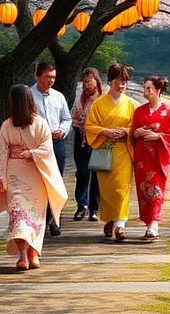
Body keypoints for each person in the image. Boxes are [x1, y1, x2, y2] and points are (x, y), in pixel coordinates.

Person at [0, 84, 68, 270]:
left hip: (26, 173)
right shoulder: (31, 124)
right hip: (25, 174)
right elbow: (45, 149)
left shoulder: (14, 125)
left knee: (24, 215)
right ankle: (25, 255)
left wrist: (30, 153)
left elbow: (3, 153)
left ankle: (29, 254)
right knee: (26, 215)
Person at [85, 63, 138, 242]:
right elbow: (90, 126)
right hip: (104, 149)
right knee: (107, 190)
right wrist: (105, 131)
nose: (121, 85)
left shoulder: (132, 104)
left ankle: (120, 225)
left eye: (124, 82)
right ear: (110, 81)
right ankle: (110, 219)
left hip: (123, 149)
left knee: (121, 188)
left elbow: (137, 127)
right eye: (118, 81)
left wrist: (126, 131)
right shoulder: (99, 103)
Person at [132, 75, 170, 241]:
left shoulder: (168, 112)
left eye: (149, 88)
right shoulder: (139, 111)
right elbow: (133, 131)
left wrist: (157, 136)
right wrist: (137, 133)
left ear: (158, 90)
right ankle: (148, 223)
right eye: (145, 88)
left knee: (156, 191)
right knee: (144, 191)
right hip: (142, 159)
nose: (146, 92)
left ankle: (154, 224)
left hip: (158, 158)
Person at [29, 62, 71, 236]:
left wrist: (62, 130)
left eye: (53, 77)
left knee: (56, 181)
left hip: (56, 143)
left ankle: (55, 218)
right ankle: (39, 219)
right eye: (47, 77)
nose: (51, 81)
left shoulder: (58, 97)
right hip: (36, 145)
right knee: (38, 182)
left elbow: (66, 118)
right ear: (38, 76)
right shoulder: (29, 96)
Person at [70, 67, 103, 221]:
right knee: (82, 172)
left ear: (97, 82)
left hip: (97, 139)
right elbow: (72, 117)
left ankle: (94, 207)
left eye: (90, 83)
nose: (87, 87)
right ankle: (81, 205)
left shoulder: (102, 99)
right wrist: (79, 122)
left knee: (96, 173)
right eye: (85, 83)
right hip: (81, 137)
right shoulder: (79, 98)